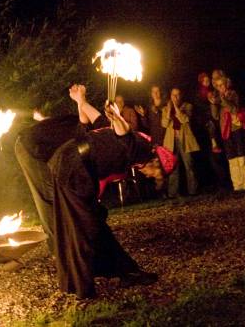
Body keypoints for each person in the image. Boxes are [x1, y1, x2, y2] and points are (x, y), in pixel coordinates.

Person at [16, 84, 171, 298]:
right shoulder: (142, 149)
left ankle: (123, 272)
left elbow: (97, 118)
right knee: (82, 227)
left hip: (74, 167)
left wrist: (81, 101)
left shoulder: (135, 152)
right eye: (158, 174)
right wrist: (118, 117)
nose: (153, 176)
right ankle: (82, 288)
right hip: (72, 168)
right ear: (157, 162)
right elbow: (124, 134)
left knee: (91, 222)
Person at [162, 87, 200, 197]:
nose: (175, 97)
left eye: (178, 95)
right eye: (173, 95)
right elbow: (164, 123)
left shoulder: (187, 106)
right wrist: (169, 110)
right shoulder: (165, 109)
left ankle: (193, 190)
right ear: (170, 96)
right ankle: (173, 193)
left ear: (181, 96)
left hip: (185, 140)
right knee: (173, 167)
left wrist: (175, 107)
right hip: (171, 142)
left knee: (189, 165)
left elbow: (184, 119)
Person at [220, 89, 245, 191]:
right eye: (217, 85)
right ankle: (237, 184)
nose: (220, 87)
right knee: (232, 159)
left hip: (237, 130)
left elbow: (234, 109)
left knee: (241, 157)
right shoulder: (217, 98)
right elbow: (215, 115)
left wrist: (223, 99)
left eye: (221, 85)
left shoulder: (233, 93)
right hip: (226, 132)